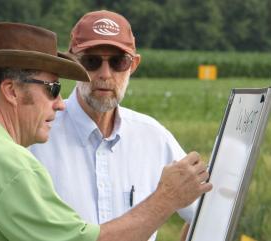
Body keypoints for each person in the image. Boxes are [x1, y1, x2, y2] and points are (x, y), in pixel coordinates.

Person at [0, 22, 211, 241]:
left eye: (117, 62)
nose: (60, 104)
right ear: (12, 91)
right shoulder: (7, 163)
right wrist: (165, 198)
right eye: (53, 88)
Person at [29, 10, 197, 240]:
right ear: (72, 63)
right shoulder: (36, 137)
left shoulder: (154, 137)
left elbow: (207, 212)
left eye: (119, 62)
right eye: (91, 61)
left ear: (133, 65)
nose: (105, 74)